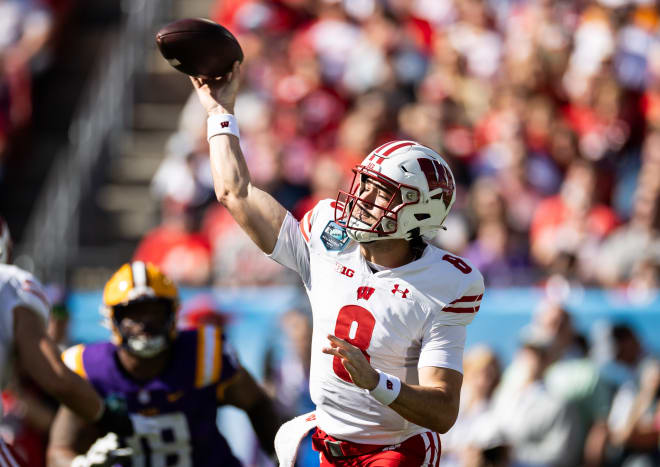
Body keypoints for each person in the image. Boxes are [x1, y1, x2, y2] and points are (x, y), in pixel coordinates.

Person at [189, 62, 484, 465]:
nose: (360, 198)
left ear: (418, 214)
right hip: (322, 440)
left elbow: (443, 411)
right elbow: (235, 194)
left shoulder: (443, 284)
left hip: (393, 450)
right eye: (363, 183)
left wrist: (376, 382)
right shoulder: (329, 238)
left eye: (380, 193)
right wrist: (219, 114)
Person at [46, 261, 279, 466]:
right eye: (133, 314)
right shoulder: (91, 369)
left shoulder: (203, 354)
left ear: (173, 313)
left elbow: (257, 404)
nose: (144, 323)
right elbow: (58, 451)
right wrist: (81, 464)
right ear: (112, 319)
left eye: (154, 312)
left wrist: (283, 459)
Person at [0, 216, 132, 465]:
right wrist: (105, 414)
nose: (55, 322)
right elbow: (55, 377)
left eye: (60, 314)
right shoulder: (11, 285)